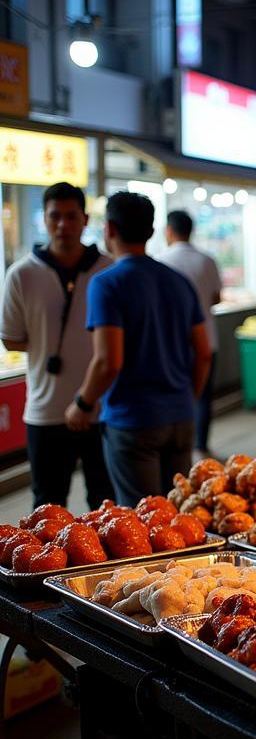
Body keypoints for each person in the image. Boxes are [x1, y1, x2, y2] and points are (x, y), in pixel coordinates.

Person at [66, 191, 211, 504]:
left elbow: (108, 361)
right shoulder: (178, 281)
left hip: (133, 421)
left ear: (110, 229)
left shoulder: (107, 284)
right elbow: (203, 352)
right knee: (176, 516)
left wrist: (83, 402)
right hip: (181, 417)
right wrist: (188, 398)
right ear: (151, 231)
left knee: (140, 523)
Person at [1, 182, 115, 508]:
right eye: (55, 216)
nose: (62, 224)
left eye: (70, 216)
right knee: (47, 506)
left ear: (85, 219)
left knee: (106, 507)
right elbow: (10, 338)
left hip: (101, 409)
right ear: (45, 219)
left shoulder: (108, 269)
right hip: (45, 411)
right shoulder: (21, 274)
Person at [158, 210, 223, 455]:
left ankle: (174, 444)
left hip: (171, 344)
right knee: (203, 395)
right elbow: (216, 297)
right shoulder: (207, 260)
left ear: (169, 231)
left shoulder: (161, 260)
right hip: (206, 338)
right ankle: (200, 444)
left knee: (174, 393)